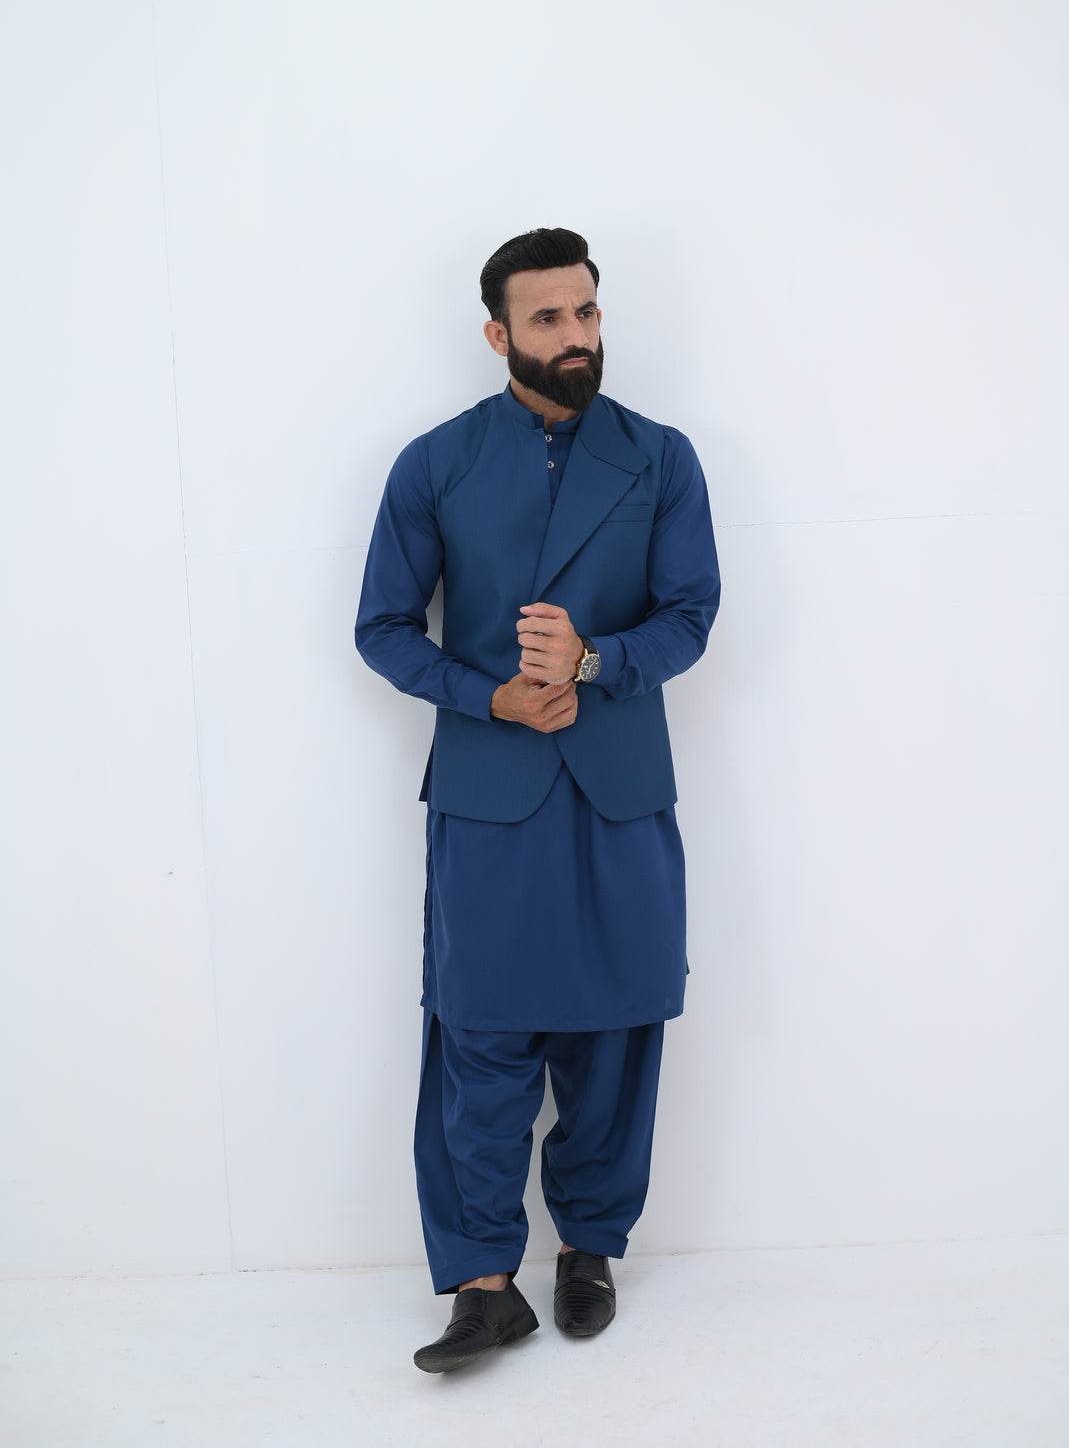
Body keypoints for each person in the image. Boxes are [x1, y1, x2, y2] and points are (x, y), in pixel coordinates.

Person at [354, 227, 720, 1372]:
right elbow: (381, 629)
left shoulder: (661, 458)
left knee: (615, 1027)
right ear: (497, 333)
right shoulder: (437, 463)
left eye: (587, 312)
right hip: (489, 783)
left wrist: (597, 660)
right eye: (549, 318)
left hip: (618, 782)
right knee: (479, 1031)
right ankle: (482, 1283)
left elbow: (691, 614)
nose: (576, 336)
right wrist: (492, 697)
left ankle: (589, 1251)